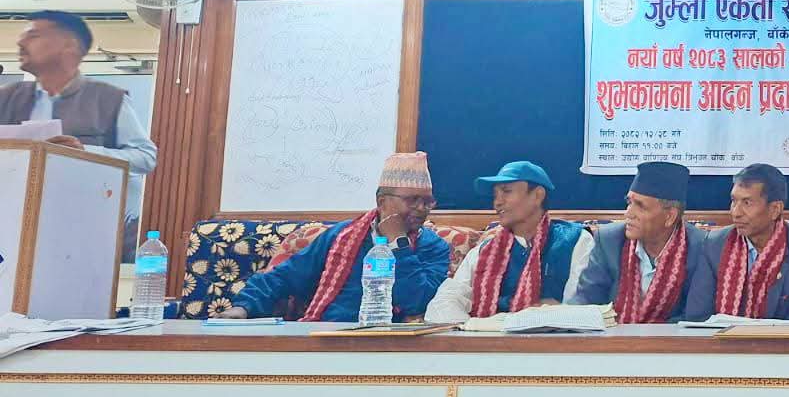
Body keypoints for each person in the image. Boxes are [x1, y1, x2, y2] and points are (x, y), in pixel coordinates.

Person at [2, 11, 157, 261]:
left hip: (84, 230)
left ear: (69, 46)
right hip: (12, 229)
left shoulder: (108, 99)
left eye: (33, 35)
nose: (20, 42)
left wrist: (85, 152)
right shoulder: (7, 97)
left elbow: (146, 157)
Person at [221, 152, 449, 321]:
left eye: (427, 202)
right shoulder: (341, 236)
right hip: (330, 333)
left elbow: (419, 301)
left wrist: (398, 244)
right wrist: (244, 307)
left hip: (391, 342)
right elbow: (285, 276)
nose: (422, 208)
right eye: (412, 200)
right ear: (382, 202)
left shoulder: (433, 247)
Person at [424, 161, 593, 323]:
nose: (497, 202)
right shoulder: (485, 251)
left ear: (537, 195)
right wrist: (473, 327)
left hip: (557, 339)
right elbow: (445, 301)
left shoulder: (574, 240)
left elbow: (582, 307)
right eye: (495, 195)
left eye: (506, 191)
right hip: (491, 339)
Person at [571, 161, 706, 323]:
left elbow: (695, 316)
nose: (628, 213)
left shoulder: (701, 248)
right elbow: (585, 301)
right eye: (629, 203)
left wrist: (644, 335)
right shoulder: (608, 240)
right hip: (612, 336)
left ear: (670, 216)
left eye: (640, 206)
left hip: (673, 338)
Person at [685, 163, 789, 320]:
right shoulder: (714, 244)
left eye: (747, 203)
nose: (736, 212)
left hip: (782, 336)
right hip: (720, 335)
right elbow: (698, 316)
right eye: (734, 201)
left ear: (775, 209)